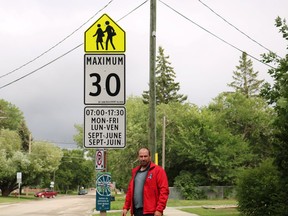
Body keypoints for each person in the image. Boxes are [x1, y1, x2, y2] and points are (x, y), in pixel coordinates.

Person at [122, 147, 169, 216]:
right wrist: (126, 207)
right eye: (141, 156)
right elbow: (130, 191)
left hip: (152, 212)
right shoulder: (135, 172)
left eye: (145, 156)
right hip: (137, 211)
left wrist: (159, 209)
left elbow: (164, 191)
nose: (143, 158)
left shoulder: (158, 171)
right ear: (138, 157)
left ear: (150, 157)